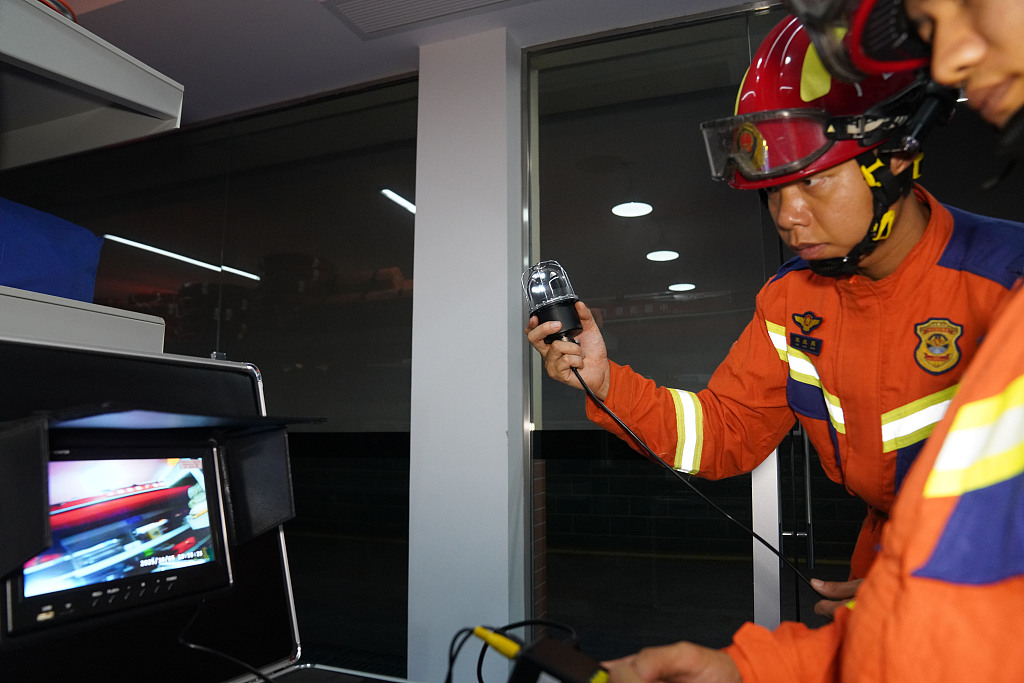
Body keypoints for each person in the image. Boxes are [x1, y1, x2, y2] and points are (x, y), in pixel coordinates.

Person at [526, 14, 1024, 616]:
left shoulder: (1006, 279)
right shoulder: (790, 301)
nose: (787, 215)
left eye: (813, 182)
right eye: (773, 189)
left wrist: (946, 587)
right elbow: (725, 434)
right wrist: (606, 384)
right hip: (882, 568)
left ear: (892, 160)